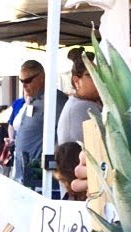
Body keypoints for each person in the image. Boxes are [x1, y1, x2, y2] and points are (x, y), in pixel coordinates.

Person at [12, 60, 68, 187]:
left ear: (41, 78)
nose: (24, 85)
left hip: (41, 178)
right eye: (21, 81)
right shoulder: (32, 100)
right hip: (24, 175)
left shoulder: (55, 100)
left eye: (28, 81)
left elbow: (65, 135)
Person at [56, 49, 101, 197]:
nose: (98, 79)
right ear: (77, 81)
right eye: (90, 75)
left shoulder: (84, 104)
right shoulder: (83, 108)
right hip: (84, 188)